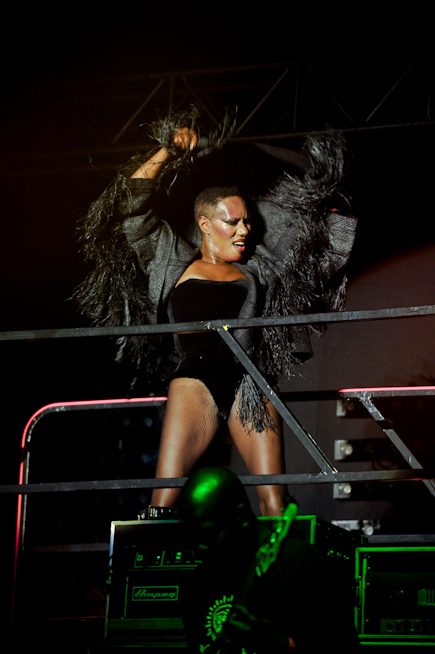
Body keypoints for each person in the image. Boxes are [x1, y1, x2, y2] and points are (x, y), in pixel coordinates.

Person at [74, 106, 357, 518]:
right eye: (232, 222)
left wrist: (330, 213)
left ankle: (277, 559)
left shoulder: (261, 270)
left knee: (275, 502)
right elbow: (131, 207)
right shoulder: (171, 259)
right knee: (162, 501)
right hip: (194, 382)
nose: (244, 230)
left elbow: (318, 261)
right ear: (205, 224)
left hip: (250, 382)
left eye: (246, 222)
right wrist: (167, 150)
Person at [177, 466, 361, 653]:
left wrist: (281, 644)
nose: (198, 546)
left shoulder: (301, 562)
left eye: (207, 533)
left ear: (240, 518)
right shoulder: (196, 584)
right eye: (191, 534)